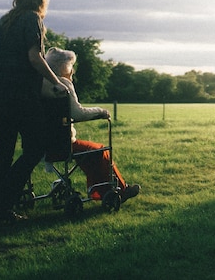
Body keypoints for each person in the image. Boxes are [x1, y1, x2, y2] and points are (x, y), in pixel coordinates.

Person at [0, 0, 69, 223]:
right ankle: (5, 199)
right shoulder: (32, 19)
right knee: (35, 149)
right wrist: (56, 81)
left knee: (4, 152)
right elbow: (34, 57)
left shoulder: (1, 22)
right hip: (20, 97)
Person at [41, 47, 141, 203]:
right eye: (70, 66)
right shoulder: (63, 84)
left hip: (42, 144)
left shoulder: (40, 84)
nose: (72, 70)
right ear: (62, 67)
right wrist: (101, 111)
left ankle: (99, 191)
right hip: (62, 144)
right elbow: (78, 113)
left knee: (89, 152)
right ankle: (120, 189)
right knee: (100, 150)